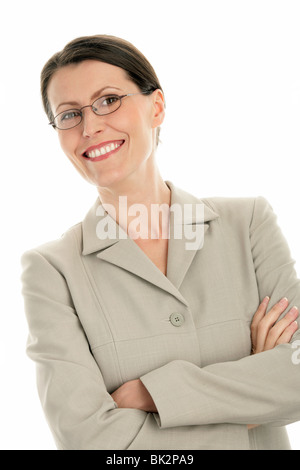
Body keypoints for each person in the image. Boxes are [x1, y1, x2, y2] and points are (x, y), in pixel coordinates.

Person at [21, 34, 300, 450]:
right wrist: (248, 411)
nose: (91, 125)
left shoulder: (248, 224)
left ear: (157, 107)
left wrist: (153, 394)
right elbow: (86, 439)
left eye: (109, 100)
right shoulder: (52, 271)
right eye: (68, 114)